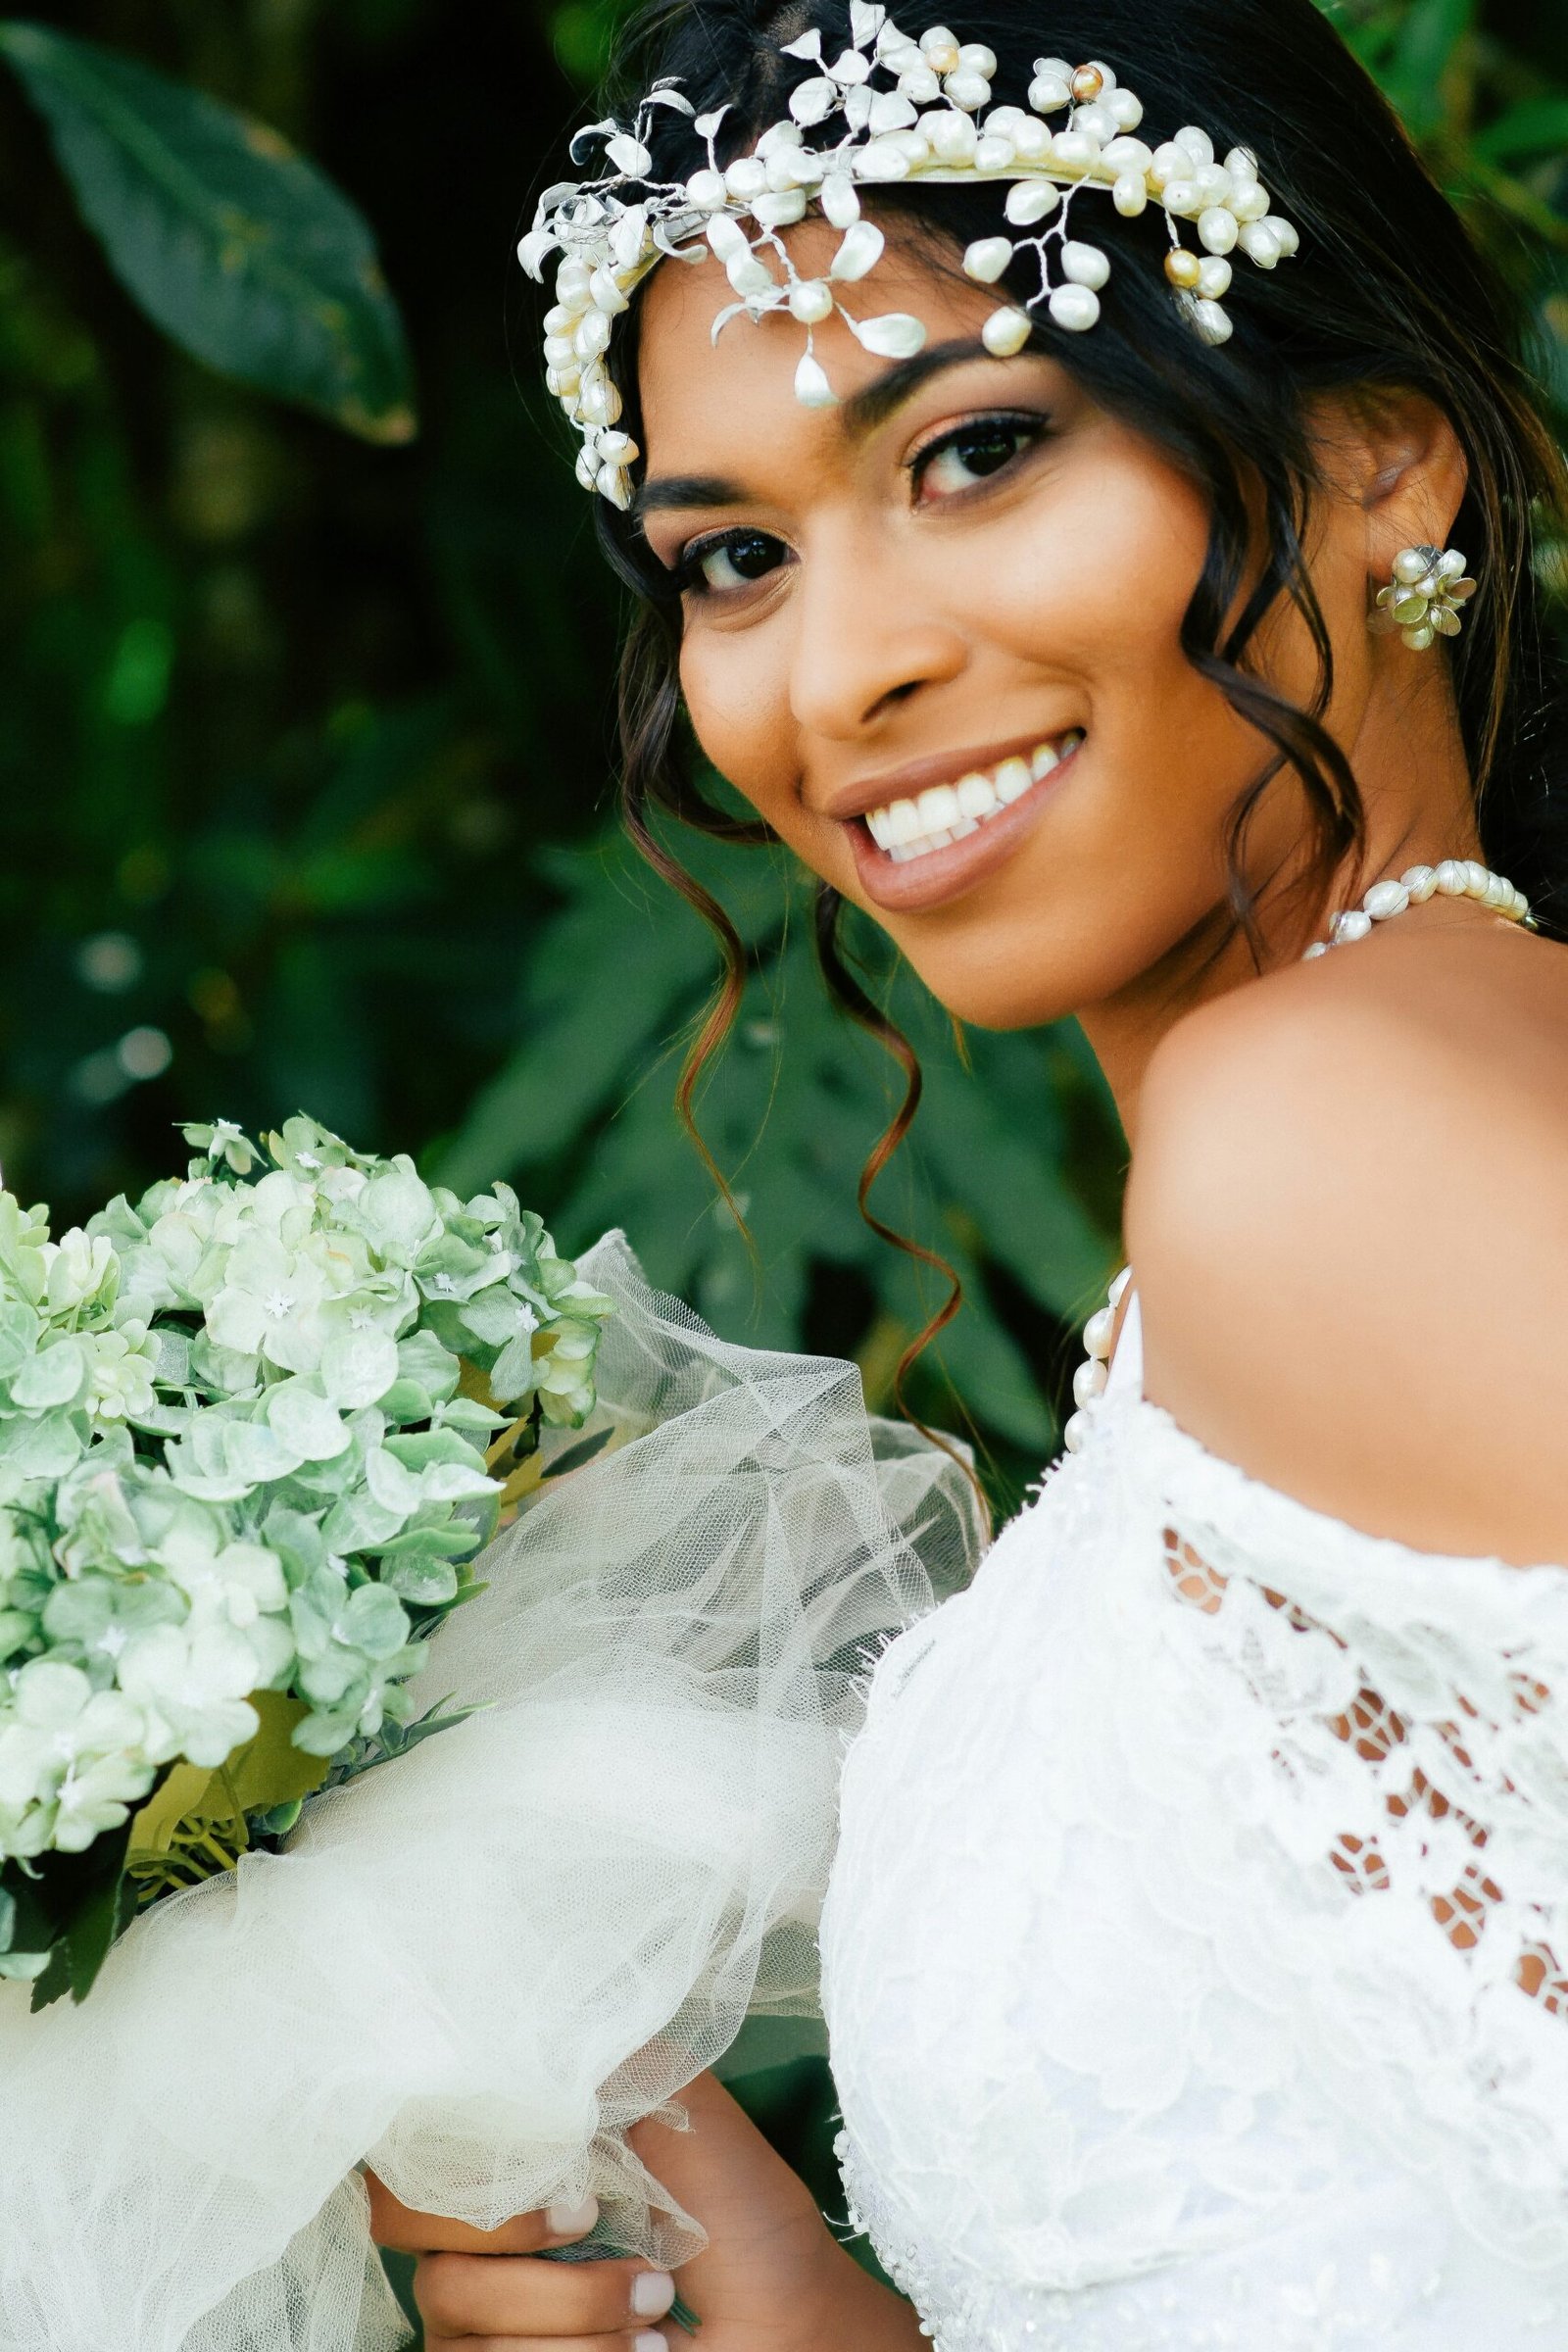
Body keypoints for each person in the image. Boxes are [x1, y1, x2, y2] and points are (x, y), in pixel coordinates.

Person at [371, 0, 1568, 2341]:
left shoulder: (1319, 1140)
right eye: (726, 559)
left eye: (974, 451)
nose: (837, 674)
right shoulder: (1399, 1101)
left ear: (1376, 457)